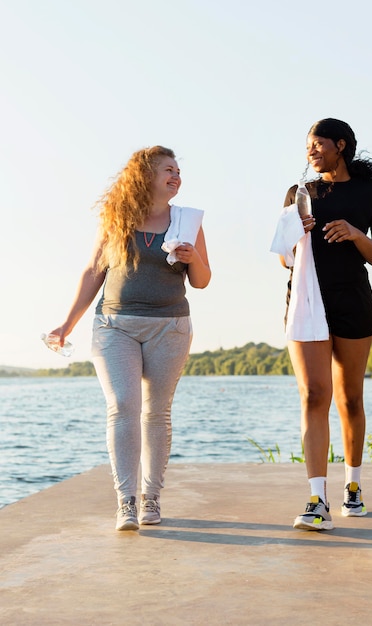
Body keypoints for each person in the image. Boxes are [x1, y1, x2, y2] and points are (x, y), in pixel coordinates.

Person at [48, 146, 211, 530]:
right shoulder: (116, 219)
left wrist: (193, 260)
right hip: (114, 325)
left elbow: (202, 281)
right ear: (145, 176)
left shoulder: (187, 220)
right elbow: (93, 272)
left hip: (170, 327)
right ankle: (126, 502)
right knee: (123, 405)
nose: (176, 176)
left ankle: (151, 498)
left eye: (177, 170)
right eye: (167, 170)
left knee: (156, 412)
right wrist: (66, 325)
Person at [274, 118, 372, 530]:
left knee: (350, 400)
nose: (311, 150)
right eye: (308, 145)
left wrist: (355, 234)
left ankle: (354, 485)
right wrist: (296, 235)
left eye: (318, 143)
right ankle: (316, 500)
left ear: (340, 145)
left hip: (352, 302)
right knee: (312, 395)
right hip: (306, 302)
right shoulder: (299, 194)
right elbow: (284, 259)